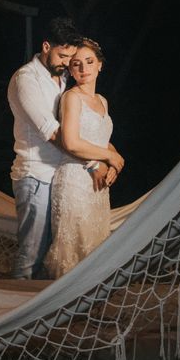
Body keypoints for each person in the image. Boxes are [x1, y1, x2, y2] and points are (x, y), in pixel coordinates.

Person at [7, 19, 115, 279]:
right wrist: (99, 161)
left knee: (51, 257)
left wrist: (105, 159)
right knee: (31, 255)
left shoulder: (61, 76)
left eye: (71, 57)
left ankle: (44, 309)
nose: (68, 63)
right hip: (35, 176)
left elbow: (83, 130)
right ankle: (17, 312)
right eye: (63, 56)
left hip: (60, 176)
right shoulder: (27, 80)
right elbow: (57, 134)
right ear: (46, 46)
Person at [44, 38, 124, 278]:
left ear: (100, 65)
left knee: (94, 246)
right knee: (72, 253)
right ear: (70, 69)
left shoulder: (102, 101)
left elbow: (100, 137)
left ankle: (89, 310)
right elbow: (71, 142)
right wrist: (109, 155)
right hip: (75, 182)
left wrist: (114, 161)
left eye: (89, 62)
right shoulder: (71, 98)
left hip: (98, 189)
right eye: (76, 64)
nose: (83, 69)